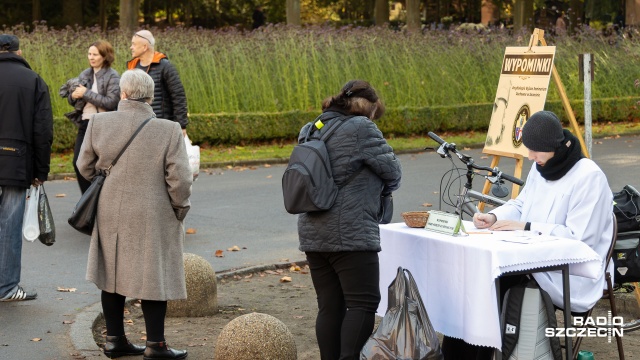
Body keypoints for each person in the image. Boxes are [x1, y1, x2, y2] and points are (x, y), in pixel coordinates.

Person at [443, 110, 613, 359]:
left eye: (537, 151)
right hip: (533, 258)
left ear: (555, 146)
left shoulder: (589, 177)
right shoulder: (540, 167)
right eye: (529, 150)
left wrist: (527, 227)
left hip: (567, 272)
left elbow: (580, 240)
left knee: (495, 286)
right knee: (477, 282)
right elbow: (521, 205)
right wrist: (494, 217)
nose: (532, 157)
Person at [77, 69, 192, 359]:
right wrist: (179, 209)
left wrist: (108, 184)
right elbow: (180, 180)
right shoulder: (168, 130)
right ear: (151, 97)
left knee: (111, 275)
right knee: (153, 275)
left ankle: (115, 340)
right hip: (154, 214)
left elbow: (84, 166)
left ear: (124, 94)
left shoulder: (98, 123)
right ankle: (156, 345)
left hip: (110, 210)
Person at [297, 80, 402, 360]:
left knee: (329, 307)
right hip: (352, 233)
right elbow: (393, 172)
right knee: (363, 303)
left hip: (313, 232)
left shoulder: (312, 127)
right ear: (370, 110)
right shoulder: (362, 128)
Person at [0, 34, 53, 302]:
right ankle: (7, 287)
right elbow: (42, 131)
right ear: (19, 52)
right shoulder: (33, 81)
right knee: (9, 226)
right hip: (16, 161)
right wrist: (40, 171)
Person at [66, 40, 120, 194]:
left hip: (105, 125)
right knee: (78, 162)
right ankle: (88, 198)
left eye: (95, 54)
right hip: (85, 124)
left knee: (102, 165)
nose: (91, 57)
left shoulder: (113, 75)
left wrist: (85, 93)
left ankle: (102, 197)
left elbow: (111, 102)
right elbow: (74, 102)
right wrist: (74, 95)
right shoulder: (85, 74)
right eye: (89, 54)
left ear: (105, 56)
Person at [127, 30, 188, 136]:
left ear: (145, 47)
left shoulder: (165, 66)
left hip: (161, 126)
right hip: (138, 126)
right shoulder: (132, 67)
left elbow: (178, 96)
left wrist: (181, 125)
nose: (131, 47)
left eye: (134, 44)